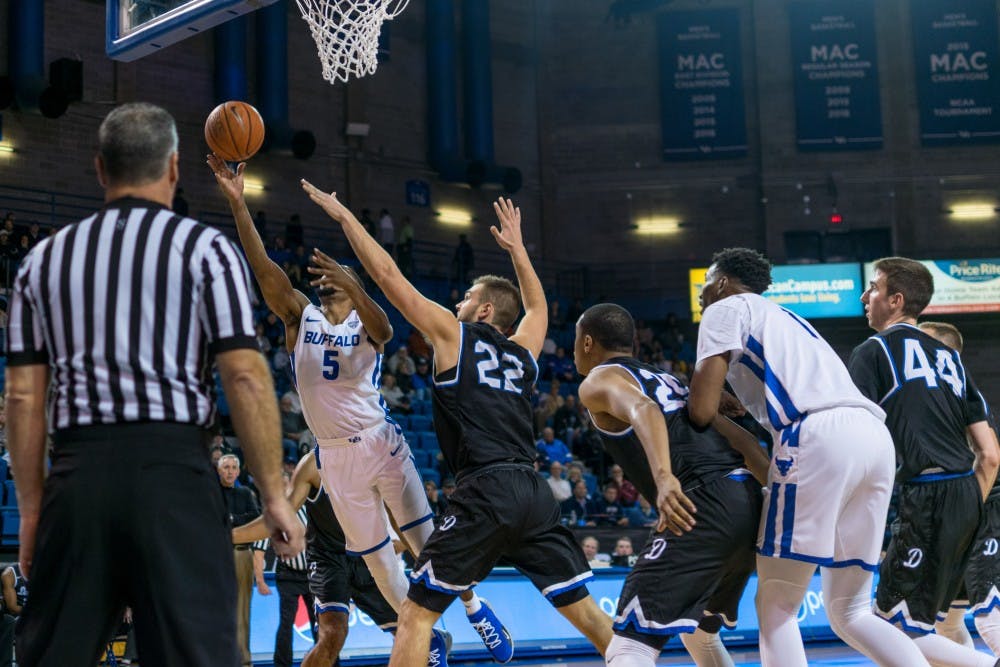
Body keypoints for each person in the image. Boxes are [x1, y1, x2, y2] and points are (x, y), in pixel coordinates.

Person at [6, 102, 303, 666]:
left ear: (99, 169)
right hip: (175, 479)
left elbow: (22, 397)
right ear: (172, 168)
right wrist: (273, 497)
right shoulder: (208, 251)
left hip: (81, 478)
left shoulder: (42, 261)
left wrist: (32, 511)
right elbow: (243, 375)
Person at [211, 156, 509, 666]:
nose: (327, 283)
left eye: (339, 280)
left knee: (425, 540)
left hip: (380, 441)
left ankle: (476, 605)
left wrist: (356, 286)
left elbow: (389, 331)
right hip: (334, 458)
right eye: (326, 280)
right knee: (381, 571)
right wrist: (239, 204)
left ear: (351, 288)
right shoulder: (298, 316)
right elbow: (264, 270)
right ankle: (425, 637)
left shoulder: (366, 321)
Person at [302, 185, 613, 666]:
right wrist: (517, 250)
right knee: (591, 618)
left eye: (468, 297)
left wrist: (344, 215)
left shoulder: (453, 333)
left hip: (484, 490)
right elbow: (538, 310)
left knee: (414, 616)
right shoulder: (523, 351)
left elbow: (387, 275)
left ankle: (468, 607)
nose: (459, 301)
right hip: (532, 492)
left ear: (485, 311)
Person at [687, 247, 930, 667]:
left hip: (817, 437)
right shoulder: (788, 317)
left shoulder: (722, 310)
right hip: (873, 437)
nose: (702, 292)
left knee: (777, 605)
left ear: (723, 283)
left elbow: (700, 411)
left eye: (707, 280)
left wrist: (684, 398)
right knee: (850, 612)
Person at [575, 302, 767, 667]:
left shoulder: (598, 380)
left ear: (586, 343)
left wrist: (664, 479)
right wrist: (783, 499)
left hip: (702, 503)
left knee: (628, 645)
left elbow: (644, 410)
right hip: (747, 499)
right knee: (698, 634)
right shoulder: (674, 381)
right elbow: (747, 445)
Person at [848, 257, 999, 667]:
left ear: (895, 300)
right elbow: (989, 454)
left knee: (891, 628)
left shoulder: (874, 351)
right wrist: (966, 508)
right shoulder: (952, 360)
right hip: (968, 498)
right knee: (930, 627)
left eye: (874, 287)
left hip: (925, 495)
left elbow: (858, 440)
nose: (865, 296)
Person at [234, 451, 400, 667]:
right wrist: (231, 535)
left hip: (367, 556)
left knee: (408, 627)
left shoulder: (373, 456)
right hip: (327, 561)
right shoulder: (313, 464)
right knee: (332, 634)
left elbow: (400, 519)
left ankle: (435, 645)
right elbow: (275, 520)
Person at [919, 321, 1000, 655]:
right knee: (946, 625)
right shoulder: (930, 393)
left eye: (921, 344)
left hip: (982, 512)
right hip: (954, 517)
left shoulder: (955, 393)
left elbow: (990, 458)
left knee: (988, 617)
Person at [219, 453, 262, 665]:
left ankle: (243, 660)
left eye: (233, 467)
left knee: (242, 610)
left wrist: (232, 520)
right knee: (214, 608)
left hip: (241, 554)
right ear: (219, 471)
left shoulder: (245, 493)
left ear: (238, 471)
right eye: (225, 467)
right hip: (215, 556)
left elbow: (255, 516)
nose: (229, 471)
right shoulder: (211, 493)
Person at [0, 563, 27, 667]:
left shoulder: (50, 572)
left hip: (40, 616)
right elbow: (12, 608)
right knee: (9, 620)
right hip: (21, 617)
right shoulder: (10, 574)